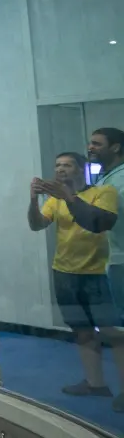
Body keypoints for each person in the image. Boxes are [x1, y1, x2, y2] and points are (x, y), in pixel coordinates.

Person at [29, 151, 124, 411]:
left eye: (67, 165)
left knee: (112, 332)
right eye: (57, 165)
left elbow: (98, 223)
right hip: (65, 272)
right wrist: (33, 199)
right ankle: (96, 383)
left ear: (82, 169)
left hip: (98, 273)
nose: (60, 169)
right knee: (81, 330)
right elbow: (37, 225)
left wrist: (67, 196)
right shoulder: (55, 199)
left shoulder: (103, 192)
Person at [89, 127, 124, 318]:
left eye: (97, 144)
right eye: (90, 143)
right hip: (112, 258)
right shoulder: (106, 177)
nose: (90, 148)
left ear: (116, 147)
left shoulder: (121, 179)